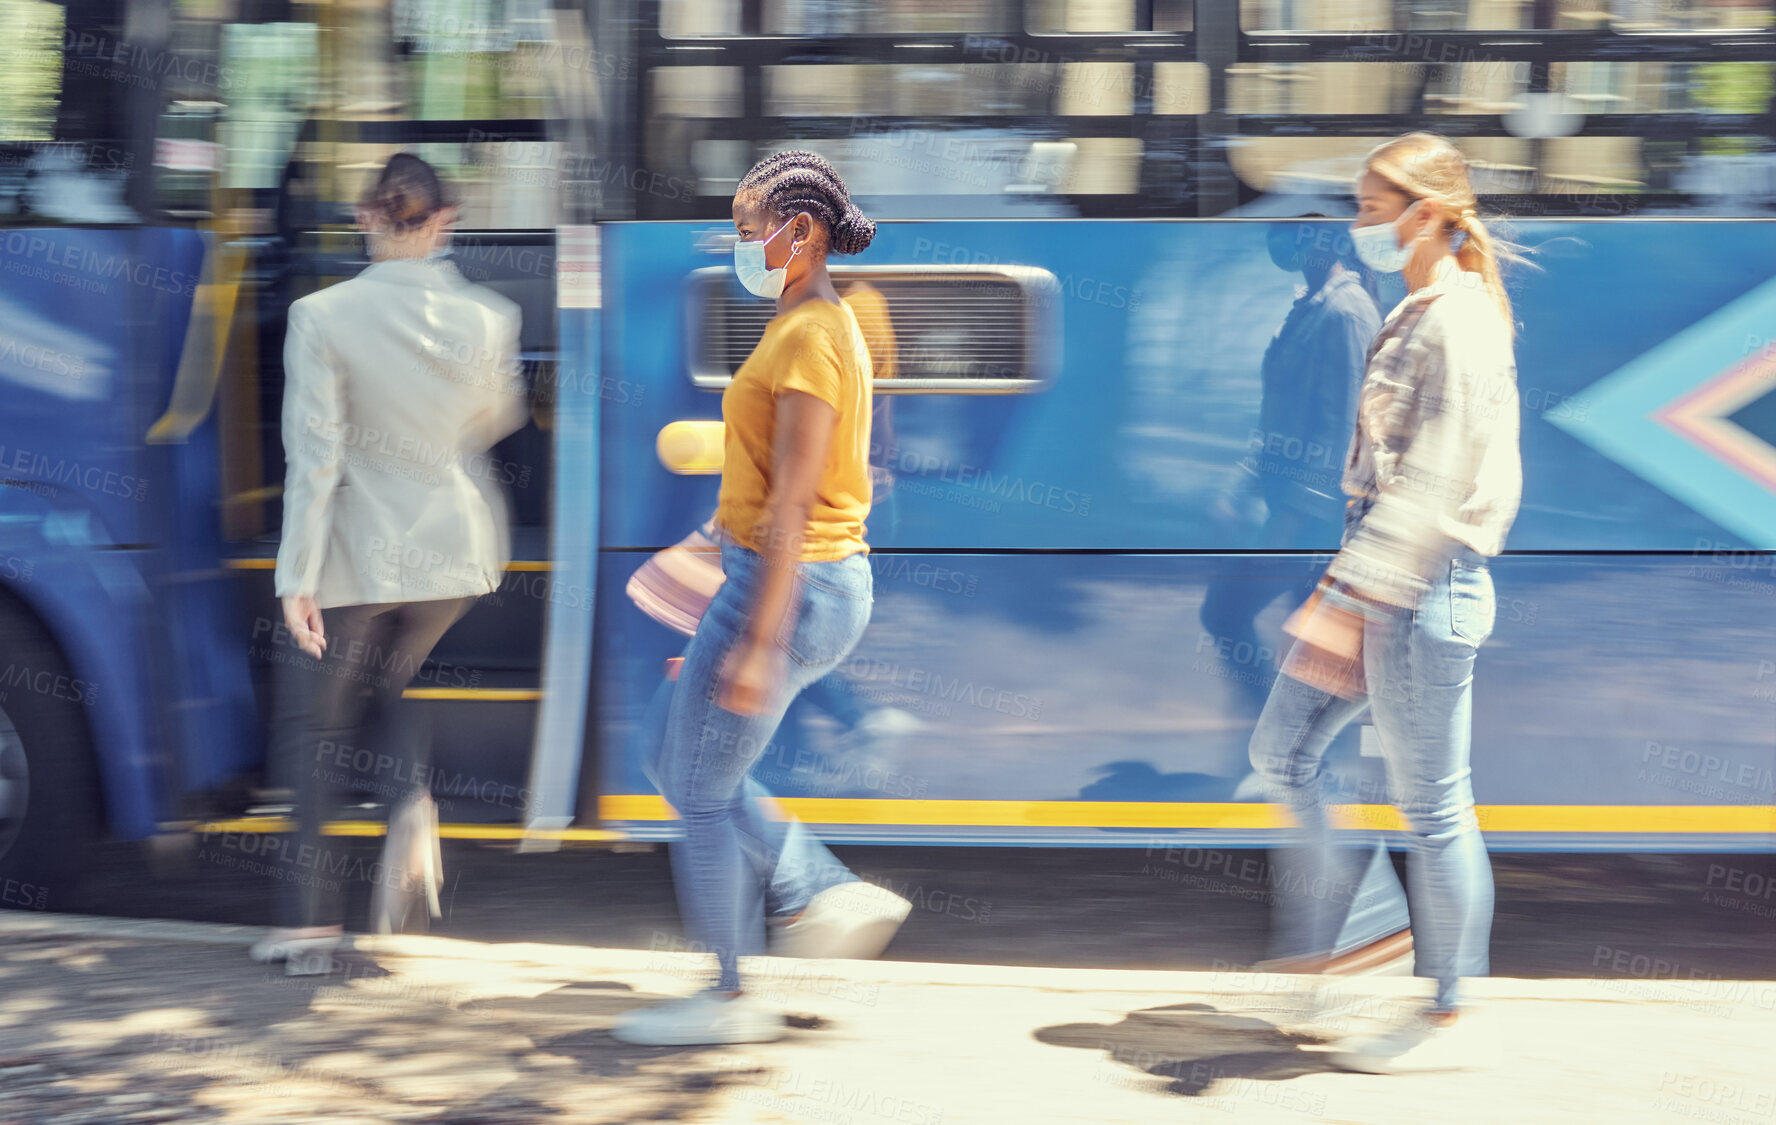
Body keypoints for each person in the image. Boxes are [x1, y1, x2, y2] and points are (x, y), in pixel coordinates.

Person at [612, 150, 911, 1047]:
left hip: (795, 583)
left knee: (700, 787)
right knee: (673, 755)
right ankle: (816, 884)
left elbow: (793, 499)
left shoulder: (815, 333)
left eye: (749, 231)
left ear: (803, 233)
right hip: (778, 574)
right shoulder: (804, 322)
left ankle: (731, 996)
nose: (738, 245)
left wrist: (759, 640)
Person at [1246, 132, 1522, 1073]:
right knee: (1280, 751)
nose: (1357, 223)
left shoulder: (1458, 319)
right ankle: (1365, 938)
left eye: (1370, 207)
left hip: (1418, 584)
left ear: (1430, 214)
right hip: (1378, 572)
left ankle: (1443, 1013)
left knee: (1435, 805)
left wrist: (1357, 597)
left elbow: (1439, 483)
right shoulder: (1426, 304)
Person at [250, 153, 528, 974]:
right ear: (444, 219)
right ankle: (409, 804)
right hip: (456, 557)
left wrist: (295, 576)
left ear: (366, 216)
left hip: (359, 558)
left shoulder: (321, 315)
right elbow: (494, 418)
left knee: (310, 728)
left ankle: (306, 929)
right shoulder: (491, 315)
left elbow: (316, 458)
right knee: (386, 684)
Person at [1200, 216, 1381, 712]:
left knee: (1226, 612)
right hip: (1297, 513)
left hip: (1317, 522)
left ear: (1327, 238)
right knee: (1310, 654)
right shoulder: (1309, 306)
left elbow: (1344, 426)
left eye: (1295, 228)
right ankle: (1287, 751)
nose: (1281, 238)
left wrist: (1295, 516)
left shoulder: (1346, 311)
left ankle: (1272, 739)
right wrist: (1239, 486)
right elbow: (1278, 418)